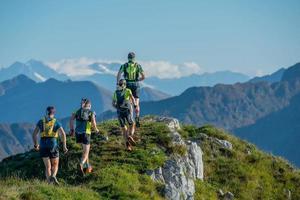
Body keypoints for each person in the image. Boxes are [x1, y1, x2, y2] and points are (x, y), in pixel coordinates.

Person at [32, 106, 68, 185]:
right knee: (55, 165)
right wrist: (64, 146)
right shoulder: (56, 122)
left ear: (46, 112)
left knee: (47, 167)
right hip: (53, 145)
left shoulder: (41, 122)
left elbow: (34, 134)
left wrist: (36, 145)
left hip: (43, 146)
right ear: (54, 113)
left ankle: (49, 184)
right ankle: (54, 176)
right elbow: (63, 134)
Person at [69, 98, 99, 175]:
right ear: (89, 105)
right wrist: (96, 129)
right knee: (86, 152)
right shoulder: (91, 112)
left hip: (78, 133)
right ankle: (81, 164)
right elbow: (93, 121)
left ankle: (87, 168)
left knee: (85, 151)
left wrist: (72, 130)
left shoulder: (77, 111)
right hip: (86, 133)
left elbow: (71, 120)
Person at [117, 52, 145, 127]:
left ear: (128, 58)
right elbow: (143, 76)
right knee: (136, 102)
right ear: (134, 58)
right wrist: (138, 79)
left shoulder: (124, 65)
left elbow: (119, 74)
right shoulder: (138, 66)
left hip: (127, 84)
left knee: (129, 102)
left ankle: (131, 118)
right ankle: (137, 117)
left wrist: (118, 83)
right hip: (136, 84)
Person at [113, 79, 138, 151]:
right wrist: (135, 105)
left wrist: (118, 108)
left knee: (124, 130)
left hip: (119, 112)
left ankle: (128, 147)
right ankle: (130, 136)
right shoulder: (128, 90)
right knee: (132, 124)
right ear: (125, 84)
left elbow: (113, 103)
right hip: (127, 110)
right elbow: (132, 98)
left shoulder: (116, 92)